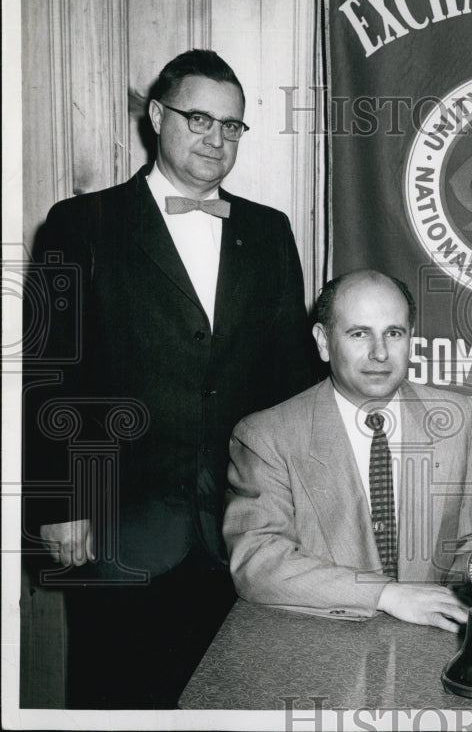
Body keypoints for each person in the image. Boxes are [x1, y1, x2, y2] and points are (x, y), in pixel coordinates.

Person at [24, 49, 317, 708]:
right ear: (158, 116)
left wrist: (294, 511)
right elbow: (49, 378)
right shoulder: (79, 225)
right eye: (198, 119)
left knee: (227, 706)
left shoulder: (268, 233)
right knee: (115, 704)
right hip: (115, 529)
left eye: (232, 126)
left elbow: (290, 382)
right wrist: (62, 505)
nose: (216, 139)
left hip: (237, 532)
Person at [224, 270, 472, 631]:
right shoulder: (267, 435)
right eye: (359, 334)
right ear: (324, 342)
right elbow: (257, 562)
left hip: (433, 643)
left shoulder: (458, 418)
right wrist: (387, 595)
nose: (380, 353)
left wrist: (461, 594)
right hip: (319, 647)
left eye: (394, 333)